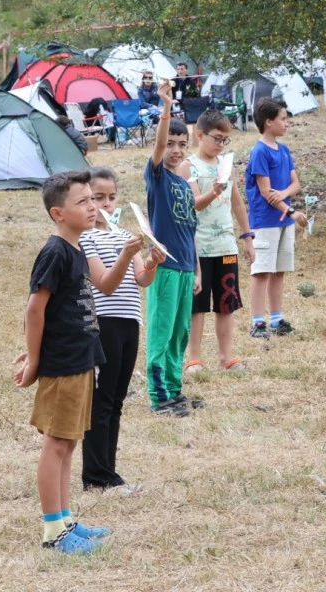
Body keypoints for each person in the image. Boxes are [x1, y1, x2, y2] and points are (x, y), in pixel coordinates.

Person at [13, 170, 111, 555]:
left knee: (69, 443)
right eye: (83, 201)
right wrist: (34, 358)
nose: (93, 206)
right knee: (56, 445)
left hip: (82, 357)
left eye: (93, 199)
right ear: (58, 213)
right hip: (63, 362)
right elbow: (35, 308)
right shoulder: (55, 252)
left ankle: (66, 519)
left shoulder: (78, 249)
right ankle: (53, 531)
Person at [79, 167, 163, 492]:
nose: (105, 204)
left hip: (130, 321)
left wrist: (152, 262)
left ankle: (109, 472)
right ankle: (97, 475)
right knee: (101, 399)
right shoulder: (85, 238)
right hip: (103, 323)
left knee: (116, 399)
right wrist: (128, 254)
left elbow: (141, 280)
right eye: (97, 198)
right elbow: (107, 285)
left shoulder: (123, 234)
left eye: (111, 197)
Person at [182, 109, 255, 372]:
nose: (221, 144)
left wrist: (247, 237)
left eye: (225, 140)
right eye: (217, 138)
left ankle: (226, 356)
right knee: (197, 305)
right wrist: (213, 192)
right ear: (199, 135)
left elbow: (237, 203)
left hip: (225, 246)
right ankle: (194, 358)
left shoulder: (226, 165)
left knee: (227, 302)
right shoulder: (188, 166)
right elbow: (193, 206)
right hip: (199, 246)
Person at [144, 81, 201, 415]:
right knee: (162, 333)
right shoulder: (158, 178)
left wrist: (195, 269)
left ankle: (174, 390)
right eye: (171, 144)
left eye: (182, 144)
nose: (176, 150)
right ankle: (159, 396)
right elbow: (158, 143)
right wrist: (166, 108)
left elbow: (190, 228)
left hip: (184, 270)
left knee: (180, 333)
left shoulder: (182, 183)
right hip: (164, 269)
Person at [244, 97, 309, 338]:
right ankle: (258, 322)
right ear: (268, 122)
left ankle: (277, 318)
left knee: (279, 270)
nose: (287, 123)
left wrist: (284, 195)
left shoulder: (284, 150)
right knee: (262, 271)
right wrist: (291, 210)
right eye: (283, 119)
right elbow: (265, 192)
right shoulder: (260, 151)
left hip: (284, 222)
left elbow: (296, 184)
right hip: (265, 222)